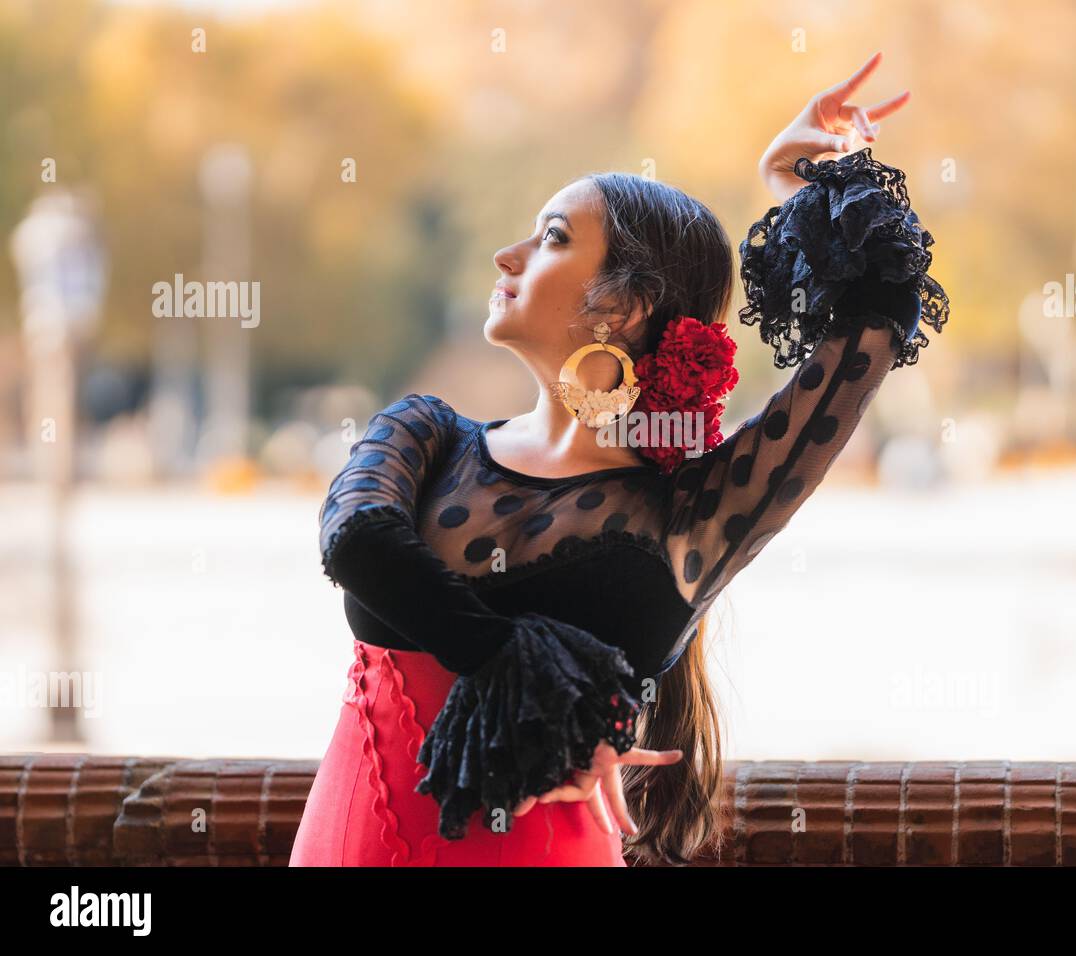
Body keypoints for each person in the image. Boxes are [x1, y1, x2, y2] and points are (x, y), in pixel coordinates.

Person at [289, 53, 949, 867]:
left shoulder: (695, 513)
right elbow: (355, 542)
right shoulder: (425, 432)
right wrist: (529, 675)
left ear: (625, 305)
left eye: (553, 237)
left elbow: (869, 337)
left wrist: (801, 185)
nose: (508, 254)